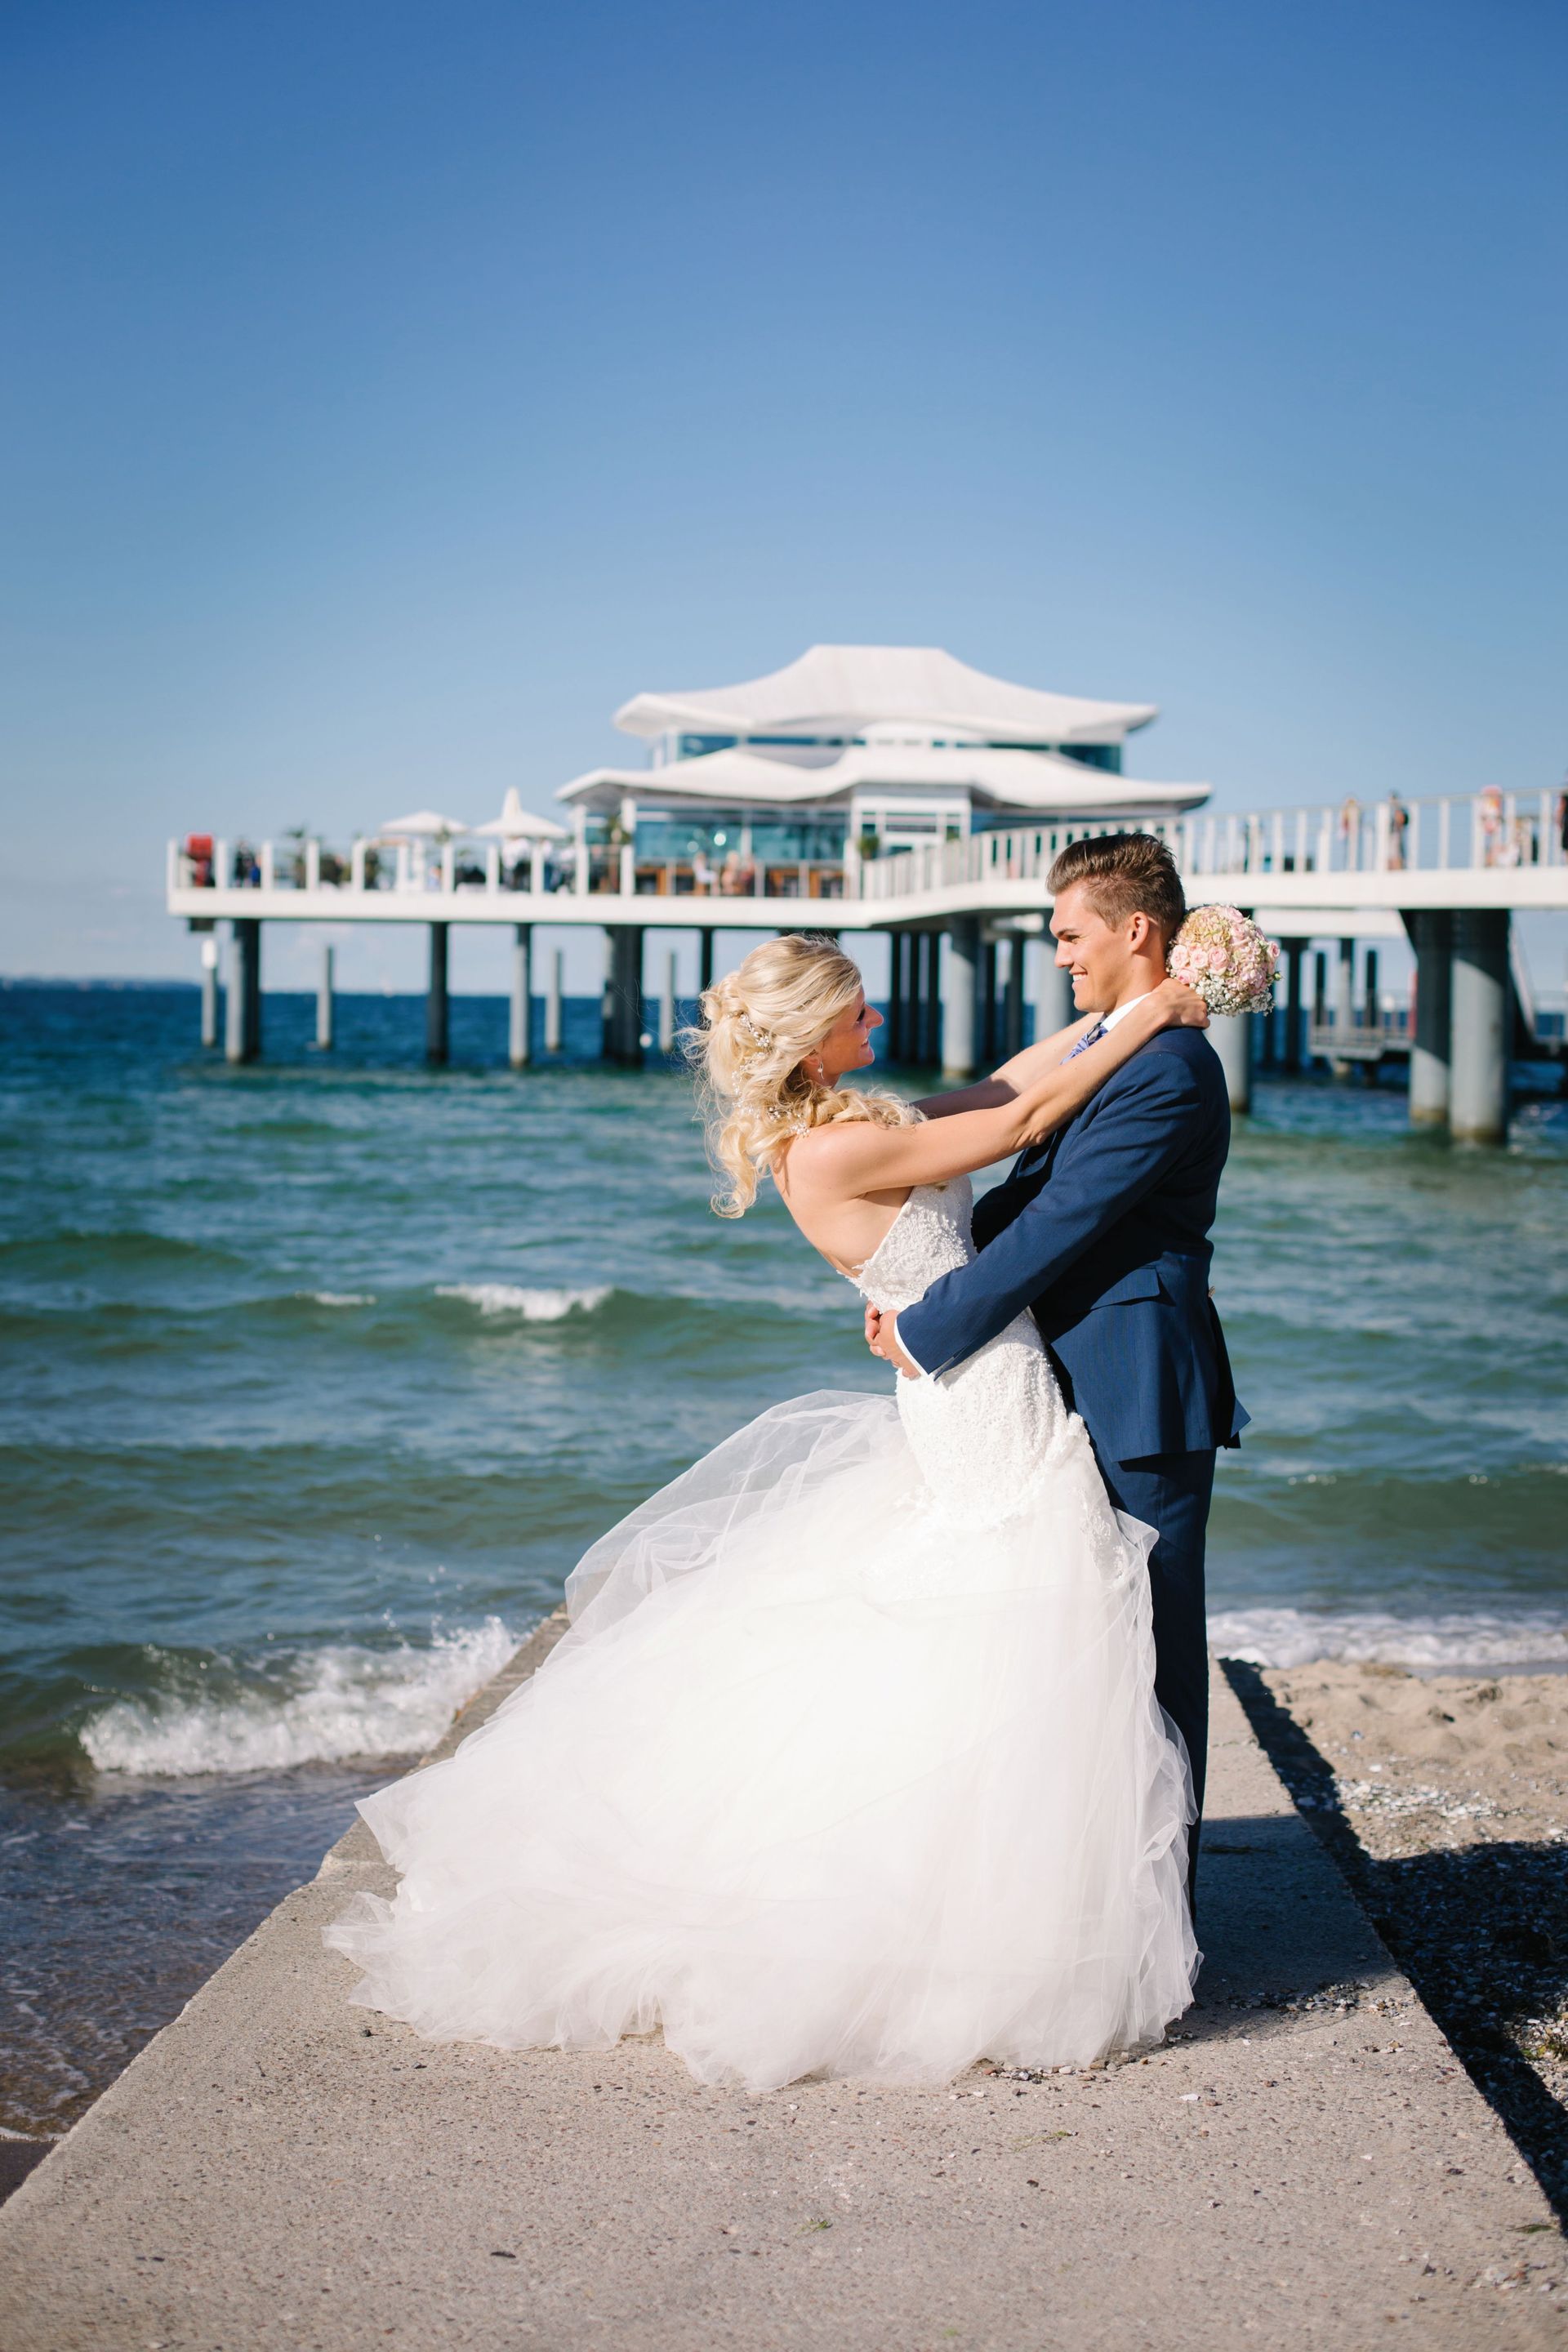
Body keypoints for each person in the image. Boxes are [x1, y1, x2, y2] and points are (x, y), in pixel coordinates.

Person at [326, 930, 1212, 2091]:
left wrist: (1122, 1016)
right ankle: (974, 1921)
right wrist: (1156, 1017)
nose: (878, 1027)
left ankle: (1005, 1896)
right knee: (1021, 1623)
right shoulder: (837, 1150)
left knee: (1019, 1623)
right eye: (858, 1014)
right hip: (980, 1402)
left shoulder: (848, 1124)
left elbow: (1006, 1086)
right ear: (811, 1039)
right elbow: (1011, 1131)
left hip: (975, 1384)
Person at [866, 833, 1247, 1895]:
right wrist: (919, 1270)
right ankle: (1089, 1878)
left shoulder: (1168, 1072)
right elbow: (1021, 1151)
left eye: (1072, 935)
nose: (1061, 955)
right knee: (1089, 1638)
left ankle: (1163, 1898)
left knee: (1159, 1651)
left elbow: (1065, 1223)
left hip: (1138, 1382)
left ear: (1136, 929)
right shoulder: (1125, 1043)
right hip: (1070, 1368)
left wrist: (932, 1325)